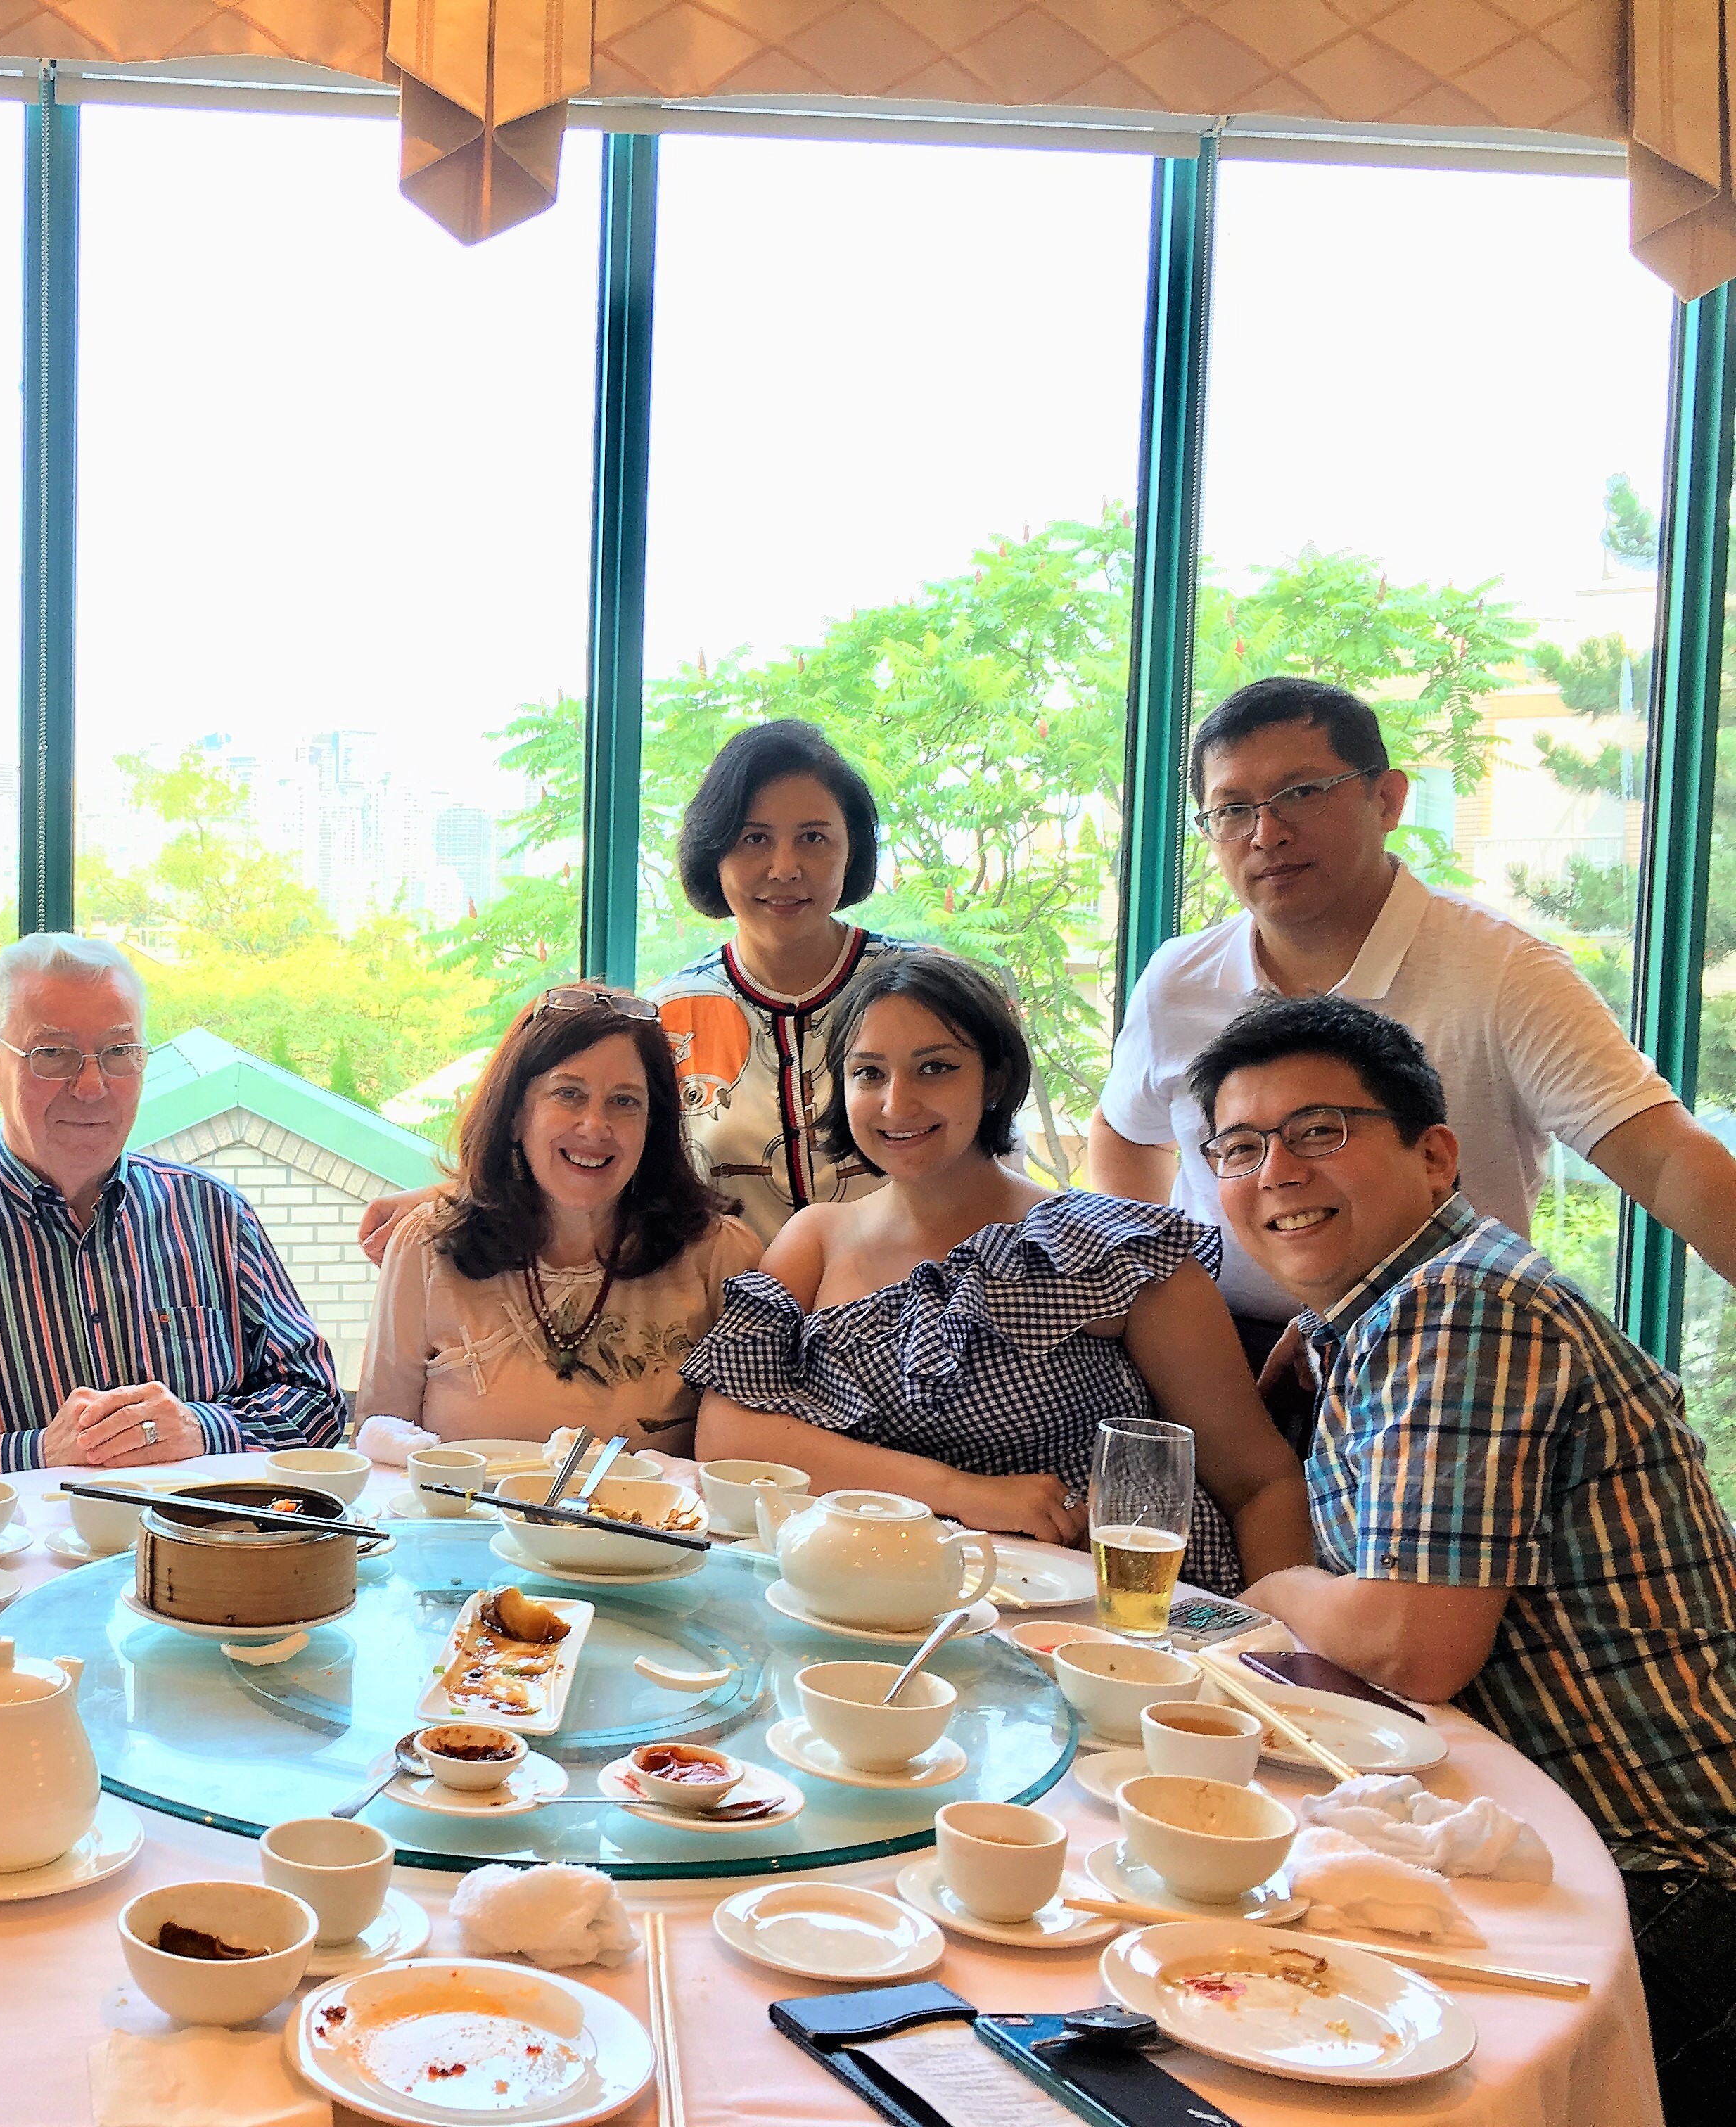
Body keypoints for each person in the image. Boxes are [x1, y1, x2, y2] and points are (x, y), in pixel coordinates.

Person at [1189, 993, 1736, 2119]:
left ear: (1436, 1156)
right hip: (1557, 1840)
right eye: (1240, 1147)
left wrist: (1272, 1587)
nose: (1276, 1171)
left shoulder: (1466, 1305)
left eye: (1320, 1132)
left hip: (1669, 1881)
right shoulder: (1386, 1306)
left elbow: (1413, 1645)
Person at [1090, 675, 1736, 1408]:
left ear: (1387, 799)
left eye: (1302, 793)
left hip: (1440, 1354)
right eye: (1233, 810)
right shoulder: (1180, 978)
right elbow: (1126, 1135)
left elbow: (1663, 1158)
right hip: (1221, 1358)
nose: (1266, 834)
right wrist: (1168, 1305)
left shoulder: (1504, 972)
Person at [685, 951, 1311, 1592]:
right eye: (868, 1073)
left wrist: (1276, 1653)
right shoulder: (815, 1238)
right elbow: (727, 1437)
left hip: (1111, 1613)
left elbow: (1260, 1482)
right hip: (880, 1595)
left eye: (936, 1068)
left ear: (995, 1079)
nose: (897, 1103)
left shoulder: (1112, 1247)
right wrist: (967, 1494)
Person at [361, 719, 910, 1260]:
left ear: (852, 849)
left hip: (913, 1328)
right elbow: (593, 1152)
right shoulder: (668, 1015)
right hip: (728, 1328)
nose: (785, 867)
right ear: (713, 853)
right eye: (754, 839)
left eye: (813, 838)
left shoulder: (920, 995)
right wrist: (450, 1197)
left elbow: (986, 1152)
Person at [0, 933, 342, 1488]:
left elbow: (317, 1405)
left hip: (207, 1557)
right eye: (53, 1053)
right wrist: (36, 1453)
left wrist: (201, 1428)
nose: (93, 1084)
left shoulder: (212, 1215)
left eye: (119, 1052)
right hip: (8, 1573)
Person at [356, 985, 762, 1455]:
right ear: (514, 1116)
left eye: (624, 1101)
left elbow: (743, 1465)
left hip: (644, 1527)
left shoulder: (721, 1256)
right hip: (464, 1527)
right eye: (568, 1094)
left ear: (654, 1126)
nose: (595, 1126)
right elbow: (380, 1445)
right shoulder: (425, 1245)